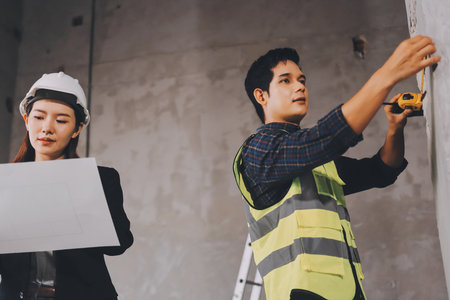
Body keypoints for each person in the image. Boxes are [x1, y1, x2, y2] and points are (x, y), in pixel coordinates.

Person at [233, 35, 440, 300]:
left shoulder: (315, 161)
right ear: (261, 95)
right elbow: (325, 138)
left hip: (347, 293)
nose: (300, 87)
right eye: (286, 80)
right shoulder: (257, 153)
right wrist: (386, 75)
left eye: (302, 80)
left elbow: (382, 171)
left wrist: (394, 129)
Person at [0, 72, 134, 300]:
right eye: (39, 117)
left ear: (77, 129)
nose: (47, 128)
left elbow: (120, 243)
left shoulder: (100, 180)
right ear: (26, 120)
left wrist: (78, 210)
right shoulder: (5, 184)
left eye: (61, 121)